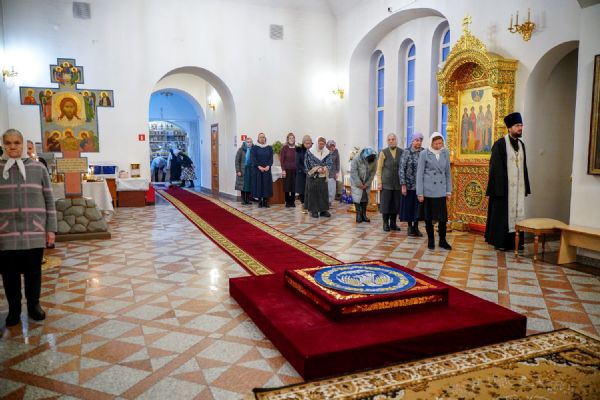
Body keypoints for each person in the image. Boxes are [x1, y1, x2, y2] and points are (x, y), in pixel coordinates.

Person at [1, 129, 57, 327]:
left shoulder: (38, 168)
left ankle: (34, 305)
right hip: (6, 233)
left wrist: (51, 229)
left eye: (16, 142)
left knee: (33, 273)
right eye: (8, 143)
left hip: (34, 231)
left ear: (23, 144)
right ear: (3, 145)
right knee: (9, 275)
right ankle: (14, 309)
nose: (12, 147)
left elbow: (49, 199)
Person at [485, 112, 531, 251]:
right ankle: (500, 242)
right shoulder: (500, 144)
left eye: (521, 125)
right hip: (504, 189)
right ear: (509, 128)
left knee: (518, 214)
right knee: (502, 215)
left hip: (517, 188)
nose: (520, 128)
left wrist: (525, 186)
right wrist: (500, 188)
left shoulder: (521, 145)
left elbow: (524, 167)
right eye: (517, 125)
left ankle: (516, 242)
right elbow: (495, 168)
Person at [416, 132, 452, 250]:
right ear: (431, 143)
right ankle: (431, 240)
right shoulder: (424, 154)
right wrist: (420, 193)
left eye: (440, 143)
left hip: (441, 191)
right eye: (436, 144)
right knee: (428, 218)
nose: (438, 146)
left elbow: (448, 173)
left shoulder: (445, 153)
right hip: (428, 191)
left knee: (442, 218)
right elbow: (420, 174)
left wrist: (449, 191)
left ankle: (442, 240)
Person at [399, 132, 424, 236]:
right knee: (409, 207)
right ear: (412, 141)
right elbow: (401, 169)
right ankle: (410, 227)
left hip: (419, 186)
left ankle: (416, 227)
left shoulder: (423, 152)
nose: (419, 142)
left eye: (420, 140)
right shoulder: (406, 152)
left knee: (418, 207)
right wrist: (403, 185)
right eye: (417, 140)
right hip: (408, 185)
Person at [376, 133, 403, 231]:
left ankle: (393, 223)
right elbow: (379, 168)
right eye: (389, 139)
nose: (391, 141)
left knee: (395, 205)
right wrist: (379, 182)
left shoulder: (402, 152)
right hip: (386, 183)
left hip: (398, 183)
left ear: (396, 140)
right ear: (387, 141)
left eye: (393, 139)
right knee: (386, 204)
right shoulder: (383, 152)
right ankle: (385, 223)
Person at [304, 137, 332, 218]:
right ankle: (314, 211)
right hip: (313, 176)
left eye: (323, 144)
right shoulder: (310, 151)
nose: (321, 145)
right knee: (313, 193)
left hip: (323, 176)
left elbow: (329, 162)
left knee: (323, 193)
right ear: (317, 143)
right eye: (320, 144)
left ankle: (323, 210)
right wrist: (318, 169)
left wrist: (325, 168)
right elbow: (308, 163)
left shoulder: (327, 152)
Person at [351, 147, 377, 223]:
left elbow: (373, 173)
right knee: (357, 197)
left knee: (365, 198)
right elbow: (353, 172)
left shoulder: (374, 158)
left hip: (366, 182)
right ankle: (358, 215)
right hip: (356, 181)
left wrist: (367, 184)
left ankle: (364, 215)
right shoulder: (356, 159)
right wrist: (359, 184)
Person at [251, 133, 273, 208]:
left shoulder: (269, 147)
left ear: (265, 138)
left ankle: (266, 201)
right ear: (258, 138)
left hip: (267, 169)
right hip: (258, 170)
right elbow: (253, 158)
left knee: (266, 185)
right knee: (259, 185)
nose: (262, 138)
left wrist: (268, 166)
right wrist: (259, 166)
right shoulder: (254, 147)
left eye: (263, 137)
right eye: (260, 137)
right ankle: (260, 201)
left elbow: (271, 158)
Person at [279, 132, 297, 207]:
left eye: (293, 138)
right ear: (287, 139)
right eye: (290, 138)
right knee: (287, 187)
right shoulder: (284, 148)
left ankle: (292, 202)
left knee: (294, 186)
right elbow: (282, 160)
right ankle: (287, 202)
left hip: (295, 170)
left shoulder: (297, 148)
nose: (291, 139)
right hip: (286, 170)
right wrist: (283, 170)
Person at [295, 135, 312, 211]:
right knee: (302, 189)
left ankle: (310, 204)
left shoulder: (313, 150)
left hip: (311, 172)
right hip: (302, 173)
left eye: (309, 143)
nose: (308, 145)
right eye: (306, 143)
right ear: (303, 143)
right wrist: (305, 169)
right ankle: (303, 203)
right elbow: (298, 163)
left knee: (310, 189)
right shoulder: (299, 150)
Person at [235, 137, 253, 204]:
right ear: (245, 143)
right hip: (242, 170)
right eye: (248, 142)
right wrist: (238, 171)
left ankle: (248, 199)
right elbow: (237, 161)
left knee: (249, 185)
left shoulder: (253, 150)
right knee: (243, 185)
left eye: (250, 142)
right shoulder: (241, 150)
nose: (249, 143)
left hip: (250, 170)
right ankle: (243, 199)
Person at [326, 140, 340, 204]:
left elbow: (338, 162)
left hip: (333, 172)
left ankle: (330, 201)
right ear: (328, 146)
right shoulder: (325, 151)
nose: (332, 147)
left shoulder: (336, 151)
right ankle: (326, 201)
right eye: (331, 146)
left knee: (332, 189)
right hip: (325, 172)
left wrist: (337, 172)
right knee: (327, 188)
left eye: (333, 146)